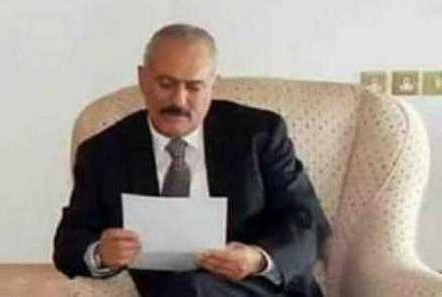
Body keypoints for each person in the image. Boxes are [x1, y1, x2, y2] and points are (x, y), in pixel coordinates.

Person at [54, 24, 330, 297]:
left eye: (194, 87)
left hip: (254, 288)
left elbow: (307, 221)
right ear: (142, 79)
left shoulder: (259, 135)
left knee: (189, 288)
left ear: (213, 86)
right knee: (184, 287)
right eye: (166, 84)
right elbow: (69, 242)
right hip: (171, 291)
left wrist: (257, 259)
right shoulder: (104, 152)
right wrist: (101, 254)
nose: (179, 100)